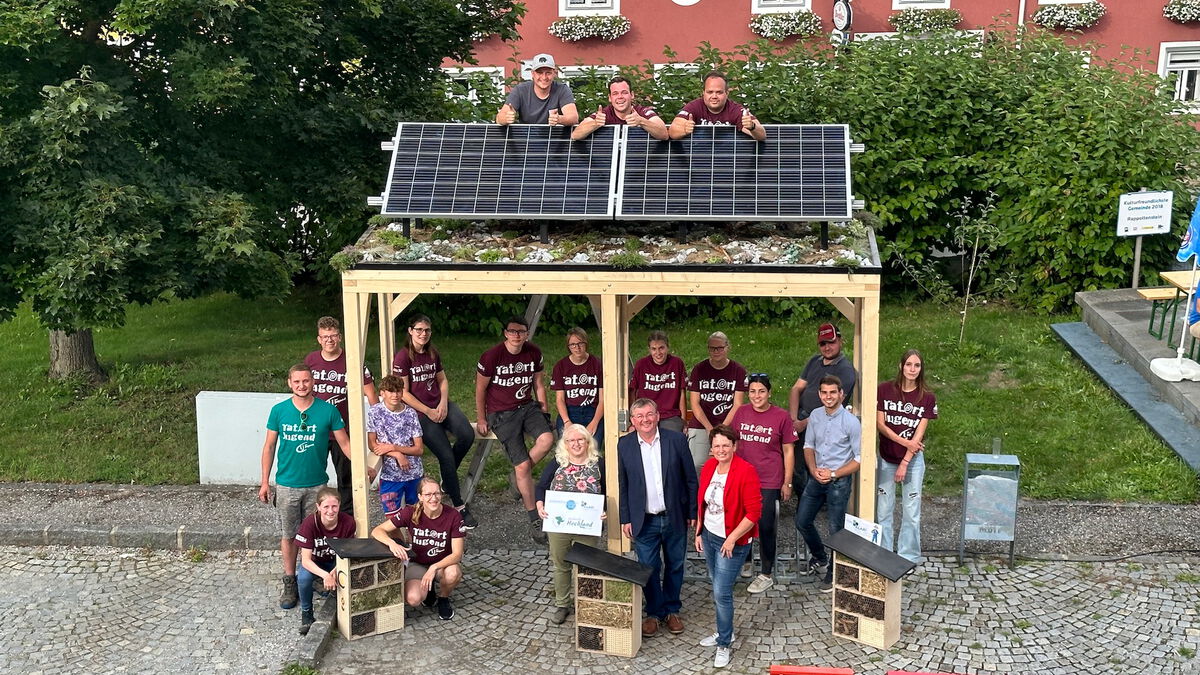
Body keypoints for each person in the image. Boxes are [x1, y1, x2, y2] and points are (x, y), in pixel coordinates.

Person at [259, 363, 358, 611]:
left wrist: (361, 466)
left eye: (306, 381)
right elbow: (269, 447)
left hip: (317, 485)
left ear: (313, 382)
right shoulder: (279, 411)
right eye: (297, 382)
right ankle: (290, 580)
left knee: (319, 533)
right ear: (289, 383)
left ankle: (314, 576)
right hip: (287, 485)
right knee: (289, 534)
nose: (302, 386)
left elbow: (345, 444)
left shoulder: (328, 410)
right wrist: (264, 481)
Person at [617, 398, 698, 638]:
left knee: (675, 564)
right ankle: (653, 612)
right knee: (649, 568)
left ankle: (672, 609)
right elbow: (623, 484)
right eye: (639, 416)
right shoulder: (624, 445)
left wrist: (692, 511)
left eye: (649, 414)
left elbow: (690, 479)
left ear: (658, 415)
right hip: (644, 519)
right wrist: (625, 517)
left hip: (674, 516)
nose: (645, 420)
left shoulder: (676, 440)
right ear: (632, 420)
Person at [475, 315, 555, 545]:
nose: (517, 335)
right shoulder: (492, 356)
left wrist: (545, 412)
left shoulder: (533, 352)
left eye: (521, 331)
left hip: (527, 407)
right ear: (505, 333)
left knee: (547, 439)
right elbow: (480, 389)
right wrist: (481, 417)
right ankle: (534, 519)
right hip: (501, 413)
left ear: (527, 333)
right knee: (522, 466)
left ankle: (518, 476)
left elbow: (539, 385)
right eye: (513, 331)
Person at [393, 314, 478, 529]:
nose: (423, 334)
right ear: (410, 331)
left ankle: (447, 477)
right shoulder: (403, 357)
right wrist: (429, 411)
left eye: (427, 330)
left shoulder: (432, 352)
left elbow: (442, 379)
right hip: (420, 413)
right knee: (446, 455)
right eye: (419, 330)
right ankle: (459, 507)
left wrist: (442, 404)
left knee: (467, 435)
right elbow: (403, 393)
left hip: (440, 405)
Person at [694, 425, 761, 669]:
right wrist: (699, 531)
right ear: (711, 449)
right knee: (716, 585)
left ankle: (724, 642)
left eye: (726, 445)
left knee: (722, 592)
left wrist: (732, 539)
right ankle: (726, 631)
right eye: (717, 446)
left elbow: (754, 513)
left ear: (734, 446)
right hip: (710, 536)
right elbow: (702, 500)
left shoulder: (746, 471)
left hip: (732, 541)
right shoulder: (710, 467)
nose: (721, 450)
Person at [729, 373, 796, 594]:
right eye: (752, 392)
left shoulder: (781, 416)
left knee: (766, 525)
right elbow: (734, 443)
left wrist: (787, 482)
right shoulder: (741, 412)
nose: (756, 396)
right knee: (740, 520)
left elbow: (788, 451)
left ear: (769, 393)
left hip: (769, 479)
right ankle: (745, 561)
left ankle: (766, 572)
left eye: (761, 391)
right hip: (743, 477)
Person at [304, 316, 378, 516]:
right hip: (316, 429)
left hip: (343, 430)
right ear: (319, 339)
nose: (329, 340)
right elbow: (302, 391)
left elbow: (371, 393)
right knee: (313, 474)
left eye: (333, 336)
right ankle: (316, 516)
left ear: (340, 337)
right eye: (325, 336)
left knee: (346, 477)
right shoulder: (311, 360)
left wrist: (379, 424)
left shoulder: (353, 361)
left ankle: (346, 519)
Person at [794, 375, 861, 591]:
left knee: (835, 528)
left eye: (833, 392)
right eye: (824, 392)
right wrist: (813, 470)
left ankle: (834, 571)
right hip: (816, 477)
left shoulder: (851, 422)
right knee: (802, 521)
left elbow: (859, 459)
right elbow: (808, 446)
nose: (828, 396)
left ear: (841, 394)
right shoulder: (815, 415)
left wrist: (834, 474)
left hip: (838, 480)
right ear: (820, 394)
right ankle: (820, 558)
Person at [535, 424, 606, 625]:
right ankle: (562, 604)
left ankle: (588, 603)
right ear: (565, 444)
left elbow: (609, 491)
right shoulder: (558, 462)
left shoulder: (598, 464)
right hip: (559, 526)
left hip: (587, 525)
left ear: (587, 442)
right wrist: (540, 505)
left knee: (588, 565)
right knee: (561, 564)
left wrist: (605, 510)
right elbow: (540, 487)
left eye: (580, 440)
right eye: (571, 440)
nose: (576, 444)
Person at [371, 476, 467, 621]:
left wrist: (434, 568)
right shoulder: (410, 512)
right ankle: (429, 591)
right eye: (428, 494)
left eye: (437, 493)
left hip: (442, 564)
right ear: (420, 497)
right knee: (413, 599)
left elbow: (457, 554)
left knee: (453, 573)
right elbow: (377, 531)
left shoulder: (453, 515)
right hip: (418, 562)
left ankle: (443, 598)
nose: (433, 498)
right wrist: (393, 544)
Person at [877, 349, 938, 564]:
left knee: (911, 511)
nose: (912, 369)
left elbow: (919, 434)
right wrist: (905, 443)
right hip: (886, 457)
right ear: (901, 366)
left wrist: (905, 461)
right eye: (909, 364)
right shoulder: (884, 390)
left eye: (917, 365)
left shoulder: (927, 397)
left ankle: (908, 555)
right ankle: (883, 553)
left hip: (912, 462)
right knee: (883, 509)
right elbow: (880, 425)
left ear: (921, 369)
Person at [788, 322, 858, 497]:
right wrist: (793, 419)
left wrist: (803, 423)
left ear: (840, 341)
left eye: (831, 342)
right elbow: (796, 389)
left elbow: (832, 403)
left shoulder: (845, 370)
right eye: (823, 343)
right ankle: (800, 496)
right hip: (800, 415)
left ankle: (813, 499)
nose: (827, 347)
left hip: (822, 420)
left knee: (808, 462)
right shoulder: (814, 361)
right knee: (795, 463)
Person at [294, 487, 356, 635]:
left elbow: (348, 553)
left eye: (334, 506)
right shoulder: (309, 524)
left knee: (350, 574)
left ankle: (341, 603)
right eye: (326, 507)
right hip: (316, 562)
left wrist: (335, 571)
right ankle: (307, 613)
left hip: (336, 561)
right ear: (318, 507)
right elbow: (306, 560)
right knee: (303, 578)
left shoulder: (348, 522)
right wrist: (325, 575)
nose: (330, 511)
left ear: (339, 506)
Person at [685, 331, 748, 473]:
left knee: (729, 463)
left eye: (720, 348)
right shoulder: (699, 369)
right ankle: (700, 494)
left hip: (728, 422)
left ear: (728, 347)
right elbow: (694, 403)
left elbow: (737, 403)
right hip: (702, 424)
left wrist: (721, 429)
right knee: (696, 463)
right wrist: (709, 428)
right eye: (712, 348)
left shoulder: (738, 370)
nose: (716, 351)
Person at [367, 375, 424, 517]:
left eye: (398, 391)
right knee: (392, 518)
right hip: (390, 475)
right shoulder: (375, 412)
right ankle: (397, 541)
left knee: (416, 516)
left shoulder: (410, 413)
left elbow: (419, 449)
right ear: (382, 393)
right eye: (391, 391)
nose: (395, 395)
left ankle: (412, 540)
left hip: (413, 472)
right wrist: (396, 454)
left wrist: (393, 447)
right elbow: (372, 444)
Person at [668, 70, 766, 141]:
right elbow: (672, 132)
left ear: (727, 93)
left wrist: (752, 127)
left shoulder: (735, 109)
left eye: (719, 92)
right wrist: (684, 130)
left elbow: (762, 135)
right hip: (699, 160)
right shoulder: (694, 107)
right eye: (710, 92)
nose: (714, 96)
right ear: (703, 93)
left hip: (728, 161)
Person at [550, 327, 605, 449]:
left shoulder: (597, 364)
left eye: (580, 343)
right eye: (573, 344)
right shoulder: (561, 366)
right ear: (568, 346)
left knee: (593, 448)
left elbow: (603, 399)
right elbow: (560, 399)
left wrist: (594, 422)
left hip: (592, 410)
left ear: (586, 343)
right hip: (570, 411)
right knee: (566, 449)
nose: (577, 347)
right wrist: (567, 421)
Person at [570, 75, 669, 141]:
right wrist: (595, 123)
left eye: (624, 92)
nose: (620, 97)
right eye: (615, 94)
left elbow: (664, 134)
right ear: (610, 98)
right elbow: (575, 135)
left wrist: (641, 121)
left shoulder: (642, 112)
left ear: (632, 95)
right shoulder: (604, 114)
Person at [495, 53, 580, 126]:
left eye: (548, 73)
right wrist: (506, 118)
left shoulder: (562, 89)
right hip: (526, 141)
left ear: (554, 73)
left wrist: (559, 119)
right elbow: (499, 118)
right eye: (539, 73)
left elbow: (573, 117)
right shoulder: (520, 90)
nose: (544, 77)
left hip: (554, 141)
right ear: (532, 74)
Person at [629, 330, 687, 433]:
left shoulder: (677, 363)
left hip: (670, 415)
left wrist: (684, 421)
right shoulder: (641, 364)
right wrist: (632, 418)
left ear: (667, 347)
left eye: (661, 348)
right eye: (654, 349)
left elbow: (682, 393)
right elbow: (632, 391)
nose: (658, 353)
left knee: (672, 439)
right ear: (649, 350)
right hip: (645, 414)